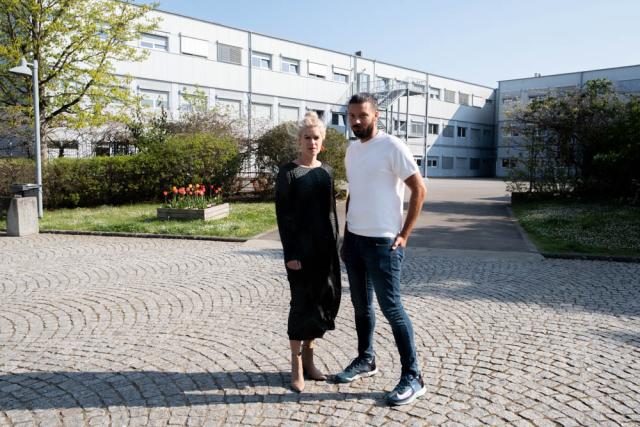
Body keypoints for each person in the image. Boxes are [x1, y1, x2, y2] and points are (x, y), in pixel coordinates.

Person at [336, 93, 427, 406]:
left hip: (383, 243)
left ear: (375, 115)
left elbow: (419, 189)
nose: (356, 121)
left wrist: (404, 234)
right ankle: (366, 359)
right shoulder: (351, 150)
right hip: (356, 243)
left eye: (362, 115)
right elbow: (354, 195)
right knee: (361, 308)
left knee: (393, 311)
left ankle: (413, 376)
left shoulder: (392, 147)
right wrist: (347, 236)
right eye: (352, 116)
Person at [275, 111, 341, 393]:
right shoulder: (288, 173)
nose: (312, 142)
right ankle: (296, 365)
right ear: (299, 141)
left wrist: (337, 245)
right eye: (307, 138)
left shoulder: (326, 171)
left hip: (324, 251)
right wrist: (291, 253)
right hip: (300, 252)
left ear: (321, 141)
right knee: (300, 304)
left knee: (320, 303)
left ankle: (311, 360)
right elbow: (283, 217)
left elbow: (331, 212)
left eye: (316, 138)